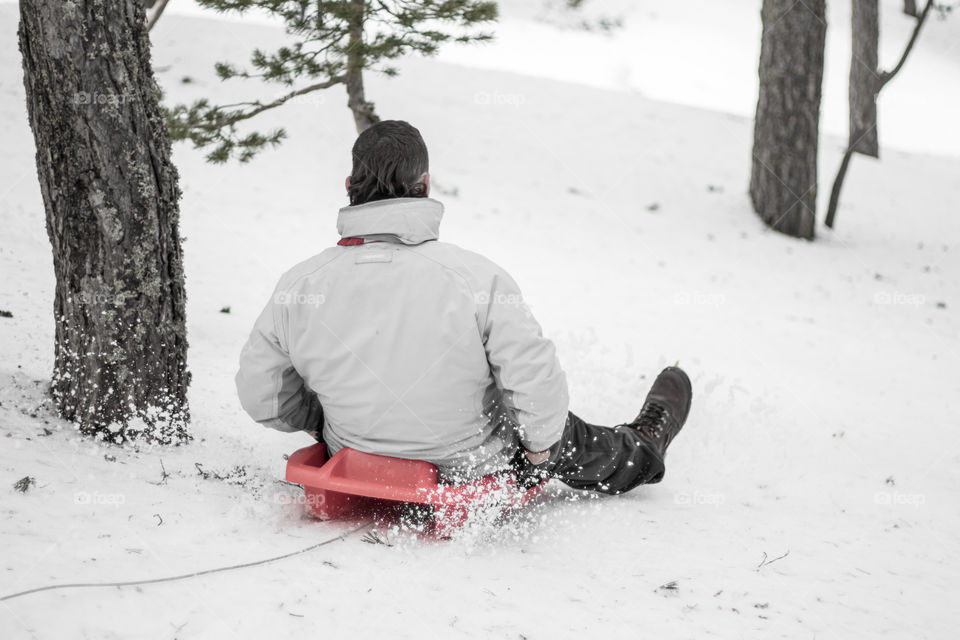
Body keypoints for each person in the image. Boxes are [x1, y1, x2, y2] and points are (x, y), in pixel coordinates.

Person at [236, 120, 692, 494]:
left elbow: (263, 395)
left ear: (350, 186)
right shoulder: (475, 278)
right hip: (470, 466)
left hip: (353, 455)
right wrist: (539, 451)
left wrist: (324, 421)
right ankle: (642, 446)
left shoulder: (299, 284)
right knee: (558, 432)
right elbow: (534, 376)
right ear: (425, 185)